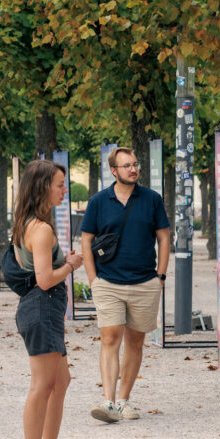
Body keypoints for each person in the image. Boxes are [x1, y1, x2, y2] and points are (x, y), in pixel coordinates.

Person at [81, 147, 170, 423]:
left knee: (135, 341)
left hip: (145, 282)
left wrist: (161, 277)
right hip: (108, 282)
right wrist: (93, 280)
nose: (133, 169)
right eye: (127, 165)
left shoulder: (152, 200)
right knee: (109, 338)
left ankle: (123, 401)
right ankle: (107, 401)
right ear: (114, 171)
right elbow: (86, 240)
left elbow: (164, 238)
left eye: (135, 164)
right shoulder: (98, 201)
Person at [13, 159, 84, 439]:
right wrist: (71, 265)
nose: (64, 190)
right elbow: (44, 279)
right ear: (43, 187)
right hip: (42, 309)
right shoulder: (40, 229)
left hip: (46, 311)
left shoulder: (30, 223)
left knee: (60, 381)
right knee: (42, 386)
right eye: (59, 184)